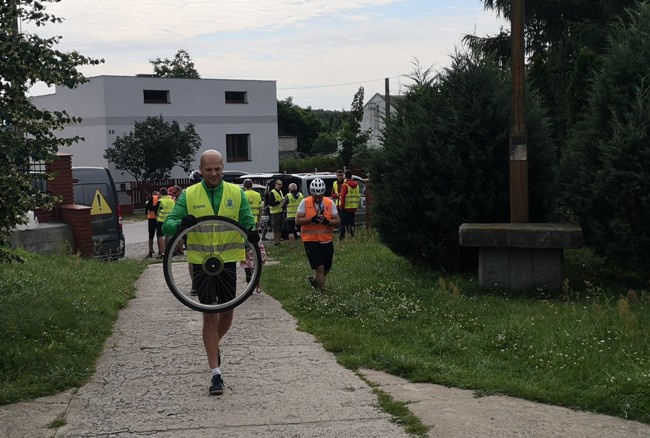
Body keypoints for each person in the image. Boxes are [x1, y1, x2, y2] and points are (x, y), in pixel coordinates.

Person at [163, 149, 258, 396]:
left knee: (226, 313)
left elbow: (247, 220)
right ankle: (216, 374)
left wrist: (252, 231)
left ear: (223, 167)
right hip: (202, 263)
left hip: (227, 261)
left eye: (217, 169)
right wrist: (182, 224)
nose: (214, 174)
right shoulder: (189, 195)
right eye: (208, 170)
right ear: (201, 169)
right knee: (209, 315)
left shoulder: (236, 193)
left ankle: (213, 345)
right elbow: (168, 224)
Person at [295, 178, 340, 292]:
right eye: (315, 196)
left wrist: (327, 222)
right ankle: (322, 291)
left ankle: (315, 280)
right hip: (310, 240)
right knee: (319, 267)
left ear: (323, 193)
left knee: (326, 267)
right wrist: (311, 220)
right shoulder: (304, 202)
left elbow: (338, 222)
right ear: (311, 193)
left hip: (326, 240)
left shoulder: (330, 203)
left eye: (320, 196)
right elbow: (298, 220)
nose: (318, 198)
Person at [338, 170, 360, 240]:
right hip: (353, 207)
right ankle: (352, 235)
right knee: (352, 222)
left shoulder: (345, 185)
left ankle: (342, 237)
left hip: (345, 208)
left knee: (343, 223)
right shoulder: (357, 185)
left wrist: (341, 206)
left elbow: (343, 196)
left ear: (345, 176)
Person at [156, 187, 176, 257]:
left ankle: (162, 252)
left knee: (160, 236)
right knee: (168, 234)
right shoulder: (171, 200)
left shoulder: (160, 201)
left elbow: (157, 211)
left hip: (161, 220)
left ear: (161, 193)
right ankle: (170, 250)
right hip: (170, 219)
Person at [267, 179, 285, 246]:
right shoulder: (272, 192)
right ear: (276, 184)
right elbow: (271, 203)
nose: (280, 186)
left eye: (281, 184)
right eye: (279, 184)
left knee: (280, 228)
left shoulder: (280, 191)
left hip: (280, 212)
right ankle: (275, 242)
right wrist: (280, 201)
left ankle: (279, 241)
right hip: (275, 213)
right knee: (275, 229)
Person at [145, 190, 162, 258]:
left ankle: (150, 251)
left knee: (151, 236)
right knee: (159, 236)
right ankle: (160, 251)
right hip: (158, 218)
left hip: (151, 219)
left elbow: (146, 210)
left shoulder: (149, 200)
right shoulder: (160, 199)